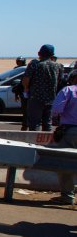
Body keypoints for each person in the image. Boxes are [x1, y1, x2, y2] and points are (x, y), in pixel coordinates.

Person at [50, 70, 77, 205]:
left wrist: (56, 121)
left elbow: (56, 109)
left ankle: (67, 196)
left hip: (70, 131)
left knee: (66, 164)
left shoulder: (69, 90)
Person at [22, 44, 64, 131]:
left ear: (39, 53)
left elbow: (26, 79)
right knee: (47, 123)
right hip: (51, 99)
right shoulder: (58, 66)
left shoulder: (35, 64)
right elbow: (60, 80)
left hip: (36, 98)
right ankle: (46, 143)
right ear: (52, 55)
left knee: (34, 123)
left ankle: (34, 143)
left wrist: (26, 89)